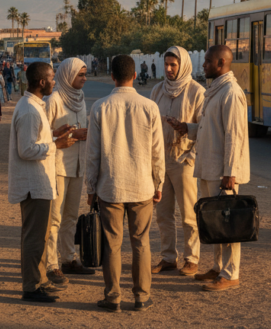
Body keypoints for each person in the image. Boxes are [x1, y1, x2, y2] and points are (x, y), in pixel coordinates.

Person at [85, 55, 165, 313]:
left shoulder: (100, 107)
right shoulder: (149, 107)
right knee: (141, 242)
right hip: (142, 187)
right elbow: (157, 151)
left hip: (110, 188)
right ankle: (142, 296)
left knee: (112, 244)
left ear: (112, 76)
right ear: (134, 75)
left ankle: (113, 297)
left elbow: (93, 153)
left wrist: (90, 188)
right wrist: (158, 182)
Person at [170, 45, 250, 292]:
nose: (203, 65)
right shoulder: (215, 90)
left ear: (221, 63)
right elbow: (209, 127)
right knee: (214, 221)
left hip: (223, 172)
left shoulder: (231, 93)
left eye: (207, 61)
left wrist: (230, 172)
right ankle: (217, 267)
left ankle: (231, 273)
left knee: (228, 223)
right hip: (209, 166)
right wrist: (187, 128)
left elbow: (234, 136)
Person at [8, 61, 74, 303]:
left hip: (40, 183)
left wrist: (54, 134)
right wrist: (56, 145)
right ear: (42, 82)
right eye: (52, 78)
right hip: (33, 185)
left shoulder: (35, 106)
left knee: (40, 238)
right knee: (34, 239)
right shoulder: (28, 110)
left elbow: (36, 138)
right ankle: (31, 287)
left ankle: (40, 281)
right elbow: (26, 149)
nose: (54, 82)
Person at [149, 46, 204, 276]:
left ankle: (192, 259)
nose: (169, 69)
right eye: (167, 64)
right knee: (163, 214)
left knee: (189, 215)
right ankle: (168, 257)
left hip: (185, 160)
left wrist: (186, 132)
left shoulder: (197, 92)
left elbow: (204, 129)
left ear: (184, 65)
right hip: (162, 162)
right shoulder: (157, 91)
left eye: (174, 65)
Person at [44, 58, 94, 281]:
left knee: (71, 216)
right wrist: (73, 135)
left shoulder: (81, 99)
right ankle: (52, 264)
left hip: (77, 166)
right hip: (57, 166)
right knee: (55, 217)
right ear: (67, 75)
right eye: (80, 75)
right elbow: (43, 134)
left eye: (85, 74)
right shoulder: (53, 100)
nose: (84, 78)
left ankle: (69, 258)